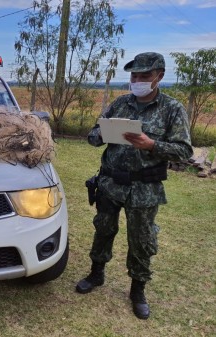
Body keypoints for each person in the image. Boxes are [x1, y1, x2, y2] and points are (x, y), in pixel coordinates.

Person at [76, 52, 193, 320]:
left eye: (144, 76)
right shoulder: (119, 104)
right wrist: (104, 133)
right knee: (103, 229)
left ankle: (137, 290)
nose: (138, 80)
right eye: (134, 76)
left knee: (141, 240)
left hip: (145, 188)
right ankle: (96, 274)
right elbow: (93, 136)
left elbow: (184, 151)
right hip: (110, 182)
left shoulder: (172, 109)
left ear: (159, 76)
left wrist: (152, 145)